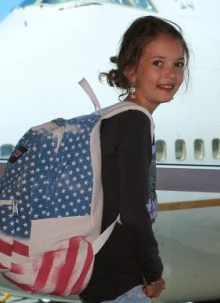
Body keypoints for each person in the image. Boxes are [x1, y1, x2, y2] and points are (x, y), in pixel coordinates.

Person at [79, 16, 190, 303]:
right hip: (119, 280)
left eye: (178, 64)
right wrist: (153, 274)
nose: (171, 74)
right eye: (158, 63)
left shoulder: (112, 117)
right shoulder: (135, 123)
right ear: (130, 71)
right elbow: (133, 214)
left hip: (95, 271)